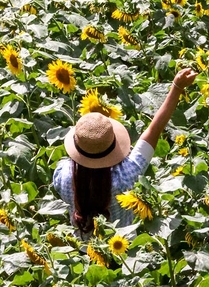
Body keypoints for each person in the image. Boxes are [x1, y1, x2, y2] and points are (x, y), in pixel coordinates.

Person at [53, 68, 197, 234]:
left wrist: (85, 141)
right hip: (125, 253)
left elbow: (73, 165)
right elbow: (154, 130)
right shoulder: (126, 176)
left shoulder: (62, 176)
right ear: (112, 147)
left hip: (84, 254)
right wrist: (177, 87)